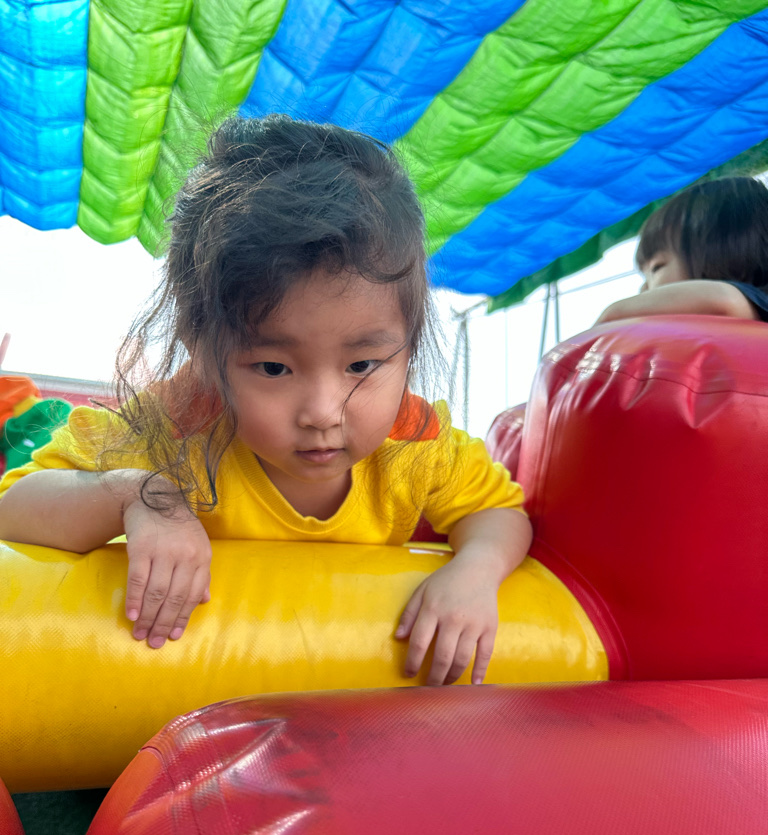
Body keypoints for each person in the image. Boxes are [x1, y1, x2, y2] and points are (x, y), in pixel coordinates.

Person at [0, 115, 532, 687]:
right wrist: (137, 494)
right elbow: (13, 507)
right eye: (274, 368)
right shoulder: (176, 424)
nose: (323, 412)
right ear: (204, 351)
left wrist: (476, 571)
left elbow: (498, 511)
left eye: (362, 366)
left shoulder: (414, 440)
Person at [596, 176, 768, 324]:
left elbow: (724, 300)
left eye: (657, 267)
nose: (643, 289)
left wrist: (612, 313)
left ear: (727, 256)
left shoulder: (753, 305)